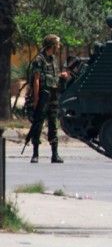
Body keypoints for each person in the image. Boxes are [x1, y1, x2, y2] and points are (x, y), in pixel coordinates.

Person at [27, 34, 70, 163]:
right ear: (51, 45)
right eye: (57, 44)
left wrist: (61, 76)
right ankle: (35, 154)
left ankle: (55, 154)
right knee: (38, 124)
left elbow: (54, 78)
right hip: (42, 97)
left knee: (53, 124)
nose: (59, 46)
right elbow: (36, 80)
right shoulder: (39, 60)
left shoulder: (53, 59)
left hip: (53, 97)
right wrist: (36, 99)